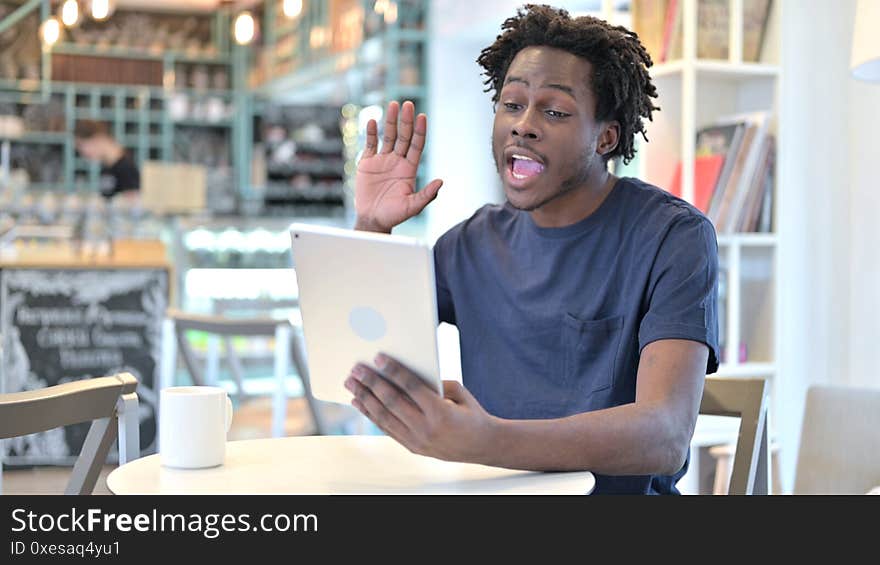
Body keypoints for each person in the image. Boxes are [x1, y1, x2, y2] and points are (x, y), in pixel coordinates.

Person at [345, 4, 719, 494]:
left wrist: (485, 441)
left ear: (606, 137)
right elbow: (364, 362)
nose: (523, 125)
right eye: (511, 104)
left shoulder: (673, 238)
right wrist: (372, 228)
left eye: (555, 111)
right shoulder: (469, 245)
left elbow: (665, 436)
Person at [73, 120, 140, 199]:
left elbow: (130, 206)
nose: (81, 152)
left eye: (80, 145)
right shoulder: (107, 167)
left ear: (97, 139)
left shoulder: (127, 168)